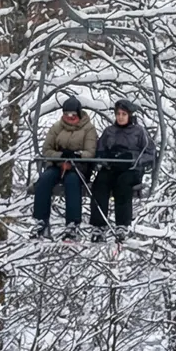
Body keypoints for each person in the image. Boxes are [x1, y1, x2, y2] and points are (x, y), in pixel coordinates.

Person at [89, 98, 156, 243]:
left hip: (131, 170)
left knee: (123, 183)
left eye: (123, 114)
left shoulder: (139, 132)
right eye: (118, 114)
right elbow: (99, 151)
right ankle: (99, 225)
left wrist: (132, 158)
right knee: (100, 182)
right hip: (112, 167)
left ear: (129, 115)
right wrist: (105, 160)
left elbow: (150, 153)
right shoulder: (109, 131)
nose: (120, 117)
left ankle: (122, 224)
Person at [32, 97, 97, 241]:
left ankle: (72, 224)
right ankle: (41, 221)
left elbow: (90, 152)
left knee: (72, 181)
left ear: (79, 114)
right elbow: (47, 150)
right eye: (66, 115)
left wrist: (76, 156)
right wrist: (60, 156)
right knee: (44, 180)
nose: (70, 118)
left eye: (73, 115)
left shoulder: (88, 129)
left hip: (77, 167)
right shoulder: (57, 127)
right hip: (58, 164)